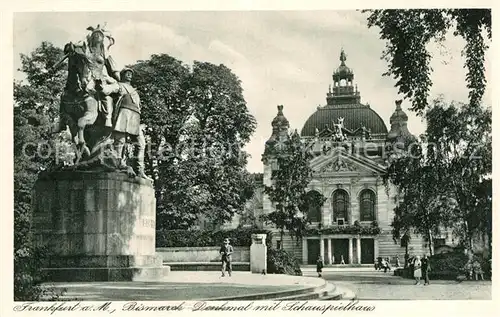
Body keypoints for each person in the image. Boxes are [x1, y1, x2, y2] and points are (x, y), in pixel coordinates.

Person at [111, 68, 150, 179]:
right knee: (120, 141)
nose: (129, 75)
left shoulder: (134, 90)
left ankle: (140, 171)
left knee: (141, 144)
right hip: (123, 114)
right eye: (127, 73)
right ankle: (117, 165)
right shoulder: (119, 85)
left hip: (135, 116)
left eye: (130, 74)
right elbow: (108, 91)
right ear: (122, 75)